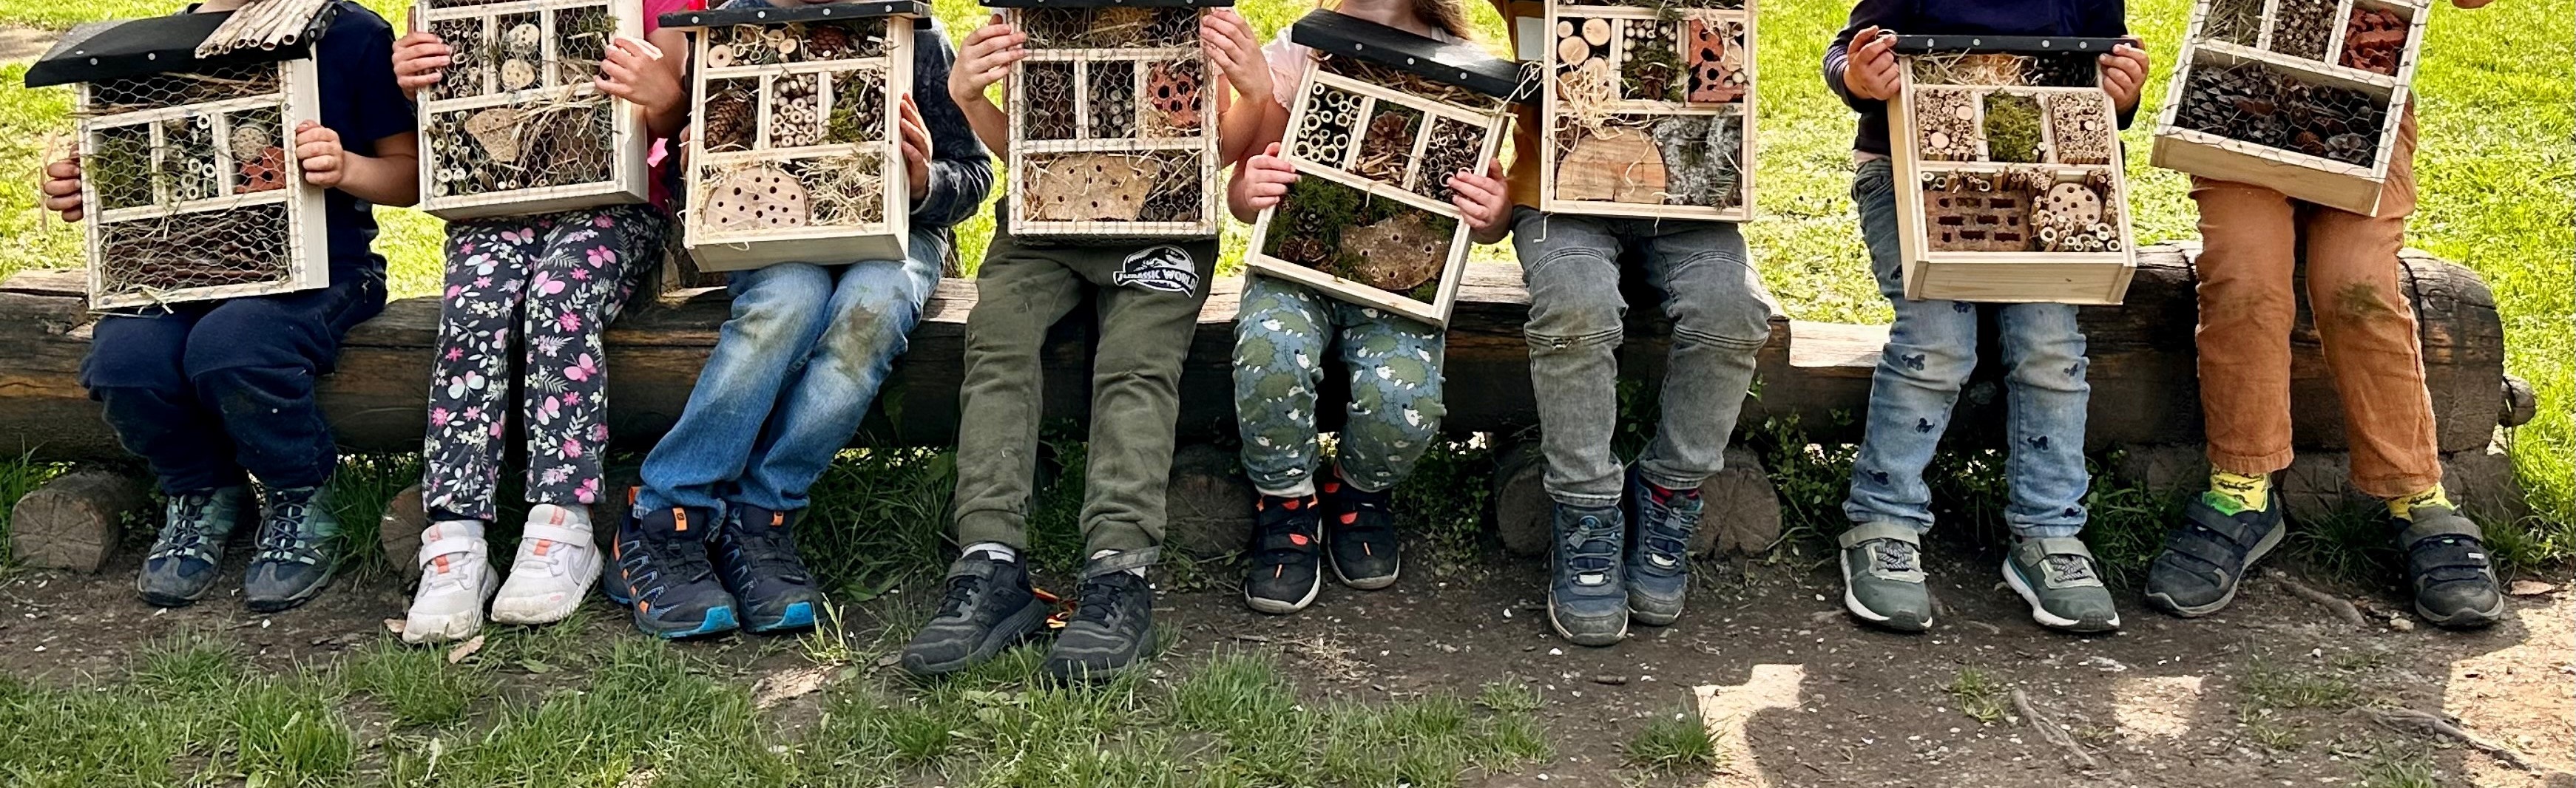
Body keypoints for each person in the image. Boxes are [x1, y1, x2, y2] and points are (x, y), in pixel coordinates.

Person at [608, 0, 994, 639]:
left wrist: (924, 179)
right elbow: (699, 174)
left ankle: (763, 515)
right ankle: (665, 514)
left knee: (873, 306)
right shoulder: (727, 31)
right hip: (771, 236)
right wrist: (698, 161)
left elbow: (974, 174)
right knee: (787, 302)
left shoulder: (914, 34)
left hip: (896, 236)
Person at [897, 8, 1257, 680]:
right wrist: (969, 96)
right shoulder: (1037, 17)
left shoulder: (1191, 17)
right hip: (1044, 222)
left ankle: (1120, 575)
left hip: (1164, 223)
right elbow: (1027, 147)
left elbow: (1218, 142)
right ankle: (988, 562)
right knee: (997, 345)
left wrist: (1256, 91)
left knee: (1136, 366)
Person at [41, 0, 418, 613]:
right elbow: (125, 166)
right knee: (124, 363)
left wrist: (346, 166)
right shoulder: (152, 46)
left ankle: (300, 491)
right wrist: (85, 184)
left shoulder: (349, 32)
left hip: (322, 272)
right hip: (175, 274)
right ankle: (203, 491)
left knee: (234, 348)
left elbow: (409, 175)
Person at [2146, 0, 2504, 630]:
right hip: (2238, 98)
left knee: (2356, 291)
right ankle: (2241, 490)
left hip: (2364, 112)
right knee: (2243, 283)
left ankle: (2416, 495)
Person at [1822, 1, 2149, 634]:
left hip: (2050, 180)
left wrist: (2123, 90)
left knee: (2049, 346)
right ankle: (1882, 517)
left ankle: (2049, 532)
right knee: (1936, 339)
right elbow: (1843, 53)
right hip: (1905, 173)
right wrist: (1859, 78)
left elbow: (2107, 75)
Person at [389, 0, 692, 645]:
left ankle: (562, 524)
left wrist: (662, 95)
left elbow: (677, 105)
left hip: (618, 201)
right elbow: (441, 98)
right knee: (473, 310)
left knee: (559, 298)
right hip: (493, 203)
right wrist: (413, 72)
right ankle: (454, 538)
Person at [1494, 2, 1775, 647]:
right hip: (1559, 192)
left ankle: (1670, 495)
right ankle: (1586, 510)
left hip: (1690, 196)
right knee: (1576, 304)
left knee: (1731, 311)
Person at [1223, 0, 1511, 615]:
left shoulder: (1464, 70)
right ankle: (1285, 503)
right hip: (1295, 270)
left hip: (1401, 281)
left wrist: (1493, 213)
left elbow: (1481, 213)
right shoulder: (1304, 49)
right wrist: (1250, 192)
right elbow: (1248, 186)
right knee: (1269, 356)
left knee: (1402, 396)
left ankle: (1356, 494)